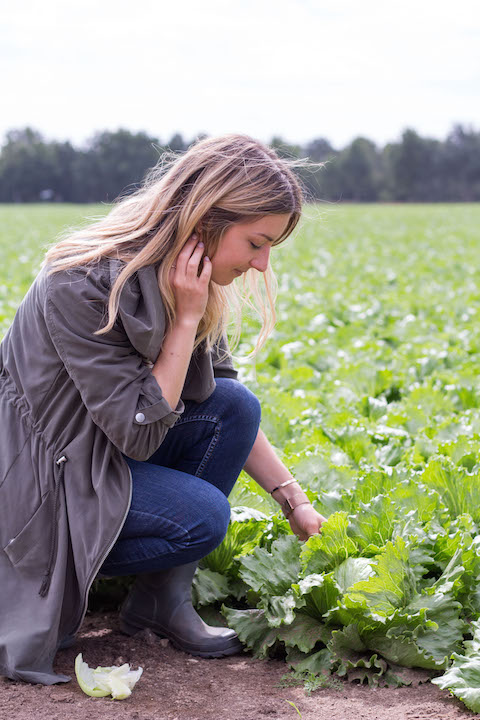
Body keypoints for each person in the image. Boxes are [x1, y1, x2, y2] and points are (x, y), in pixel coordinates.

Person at [0, 134, 325, 686]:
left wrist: (292, 499)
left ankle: (158, 605)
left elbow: (226, 408)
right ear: (205, 223)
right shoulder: (77, 285)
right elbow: (138, 434)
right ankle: (72, 575)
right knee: (201, 516)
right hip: (42, 478)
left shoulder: (188, 279)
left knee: (233, 404)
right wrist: (182, 323)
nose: (261, 263)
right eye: (256, 242)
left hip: (102, 452)